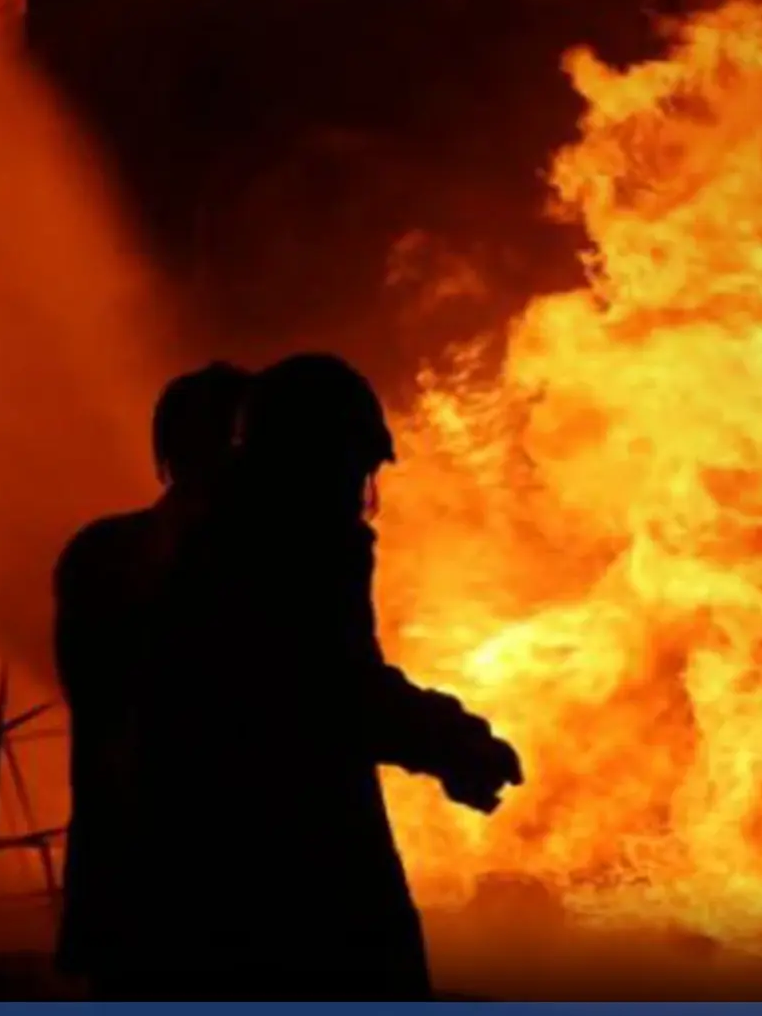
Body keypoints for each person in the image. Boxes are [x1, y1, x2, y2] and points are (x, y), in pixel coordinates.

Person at [127, 353, 523, 999]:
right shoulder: (290, 549)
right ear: (317, 459)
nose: (361, 491)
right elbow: (336, 689)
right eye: (354, 467)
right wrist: (455, 742)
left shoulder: (199, 542)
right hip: (292, 871)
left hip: (194, 867)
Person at [50, 362, 252, 996]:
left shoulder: (98, 550)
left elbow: (87, 694)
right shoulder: (251, 565)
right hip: (222, 888)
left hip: (120, 875)